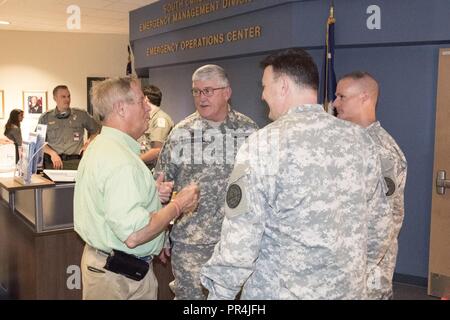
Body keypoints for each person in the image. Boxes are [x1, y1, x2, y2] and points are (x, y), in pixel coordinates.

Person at [200, 48, 393, 300]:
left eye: (265, 86)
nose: (262, 95)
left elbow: (241, 238)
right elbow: (380, 224)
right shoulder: (361, 140)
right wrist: (351, 274)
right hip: (347, 291)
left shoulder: (262, 144)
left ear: (283, 86)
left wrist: (218, 296)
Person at [74, 77, 199, 300]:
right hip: (120, 280)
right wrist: (178, 205)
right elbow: (134, 234)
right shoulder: (120, 160)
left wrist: (151, 194)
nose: (148, 108)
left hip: (113, 270)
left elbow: (116, 208)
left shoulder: (104, 146)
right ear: (121, 109)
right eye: (142, 101)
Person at [154, 64, 259, 300]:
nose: (201, 98)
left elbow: (261, 187)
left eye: (208, 91)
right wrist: (160, 234)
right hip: (191, 242)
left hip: (236, 242)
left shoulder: (249, 131)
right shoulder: (181, 133)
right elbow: (160, 185)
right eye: (196, 91)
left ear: (227, 92)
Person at [333, 71, 407, 300]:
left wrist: (355, 272)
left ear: (364, 98)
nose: (334, 103)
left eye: (341, 97)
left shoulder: (381, 151)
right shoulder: (348, 142)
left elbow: (385, 223)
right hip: (344, 266)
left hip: (367, 275)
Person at [38, 85, 100, 170]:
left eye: (68, 96)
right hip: (53, 163)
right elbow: (39, 141)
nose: (67, 100)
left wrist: (87, 145)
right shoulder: (45, 118)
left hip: (75, 163)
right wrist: (52, 153)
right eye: (63, 97)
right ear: (55, 98)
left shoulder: (81, 115)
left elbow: (96, 131)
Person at [138, 85, 174, 171]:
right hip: (146, 168)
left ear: (145, 99)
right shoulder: (149, 118)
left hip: (155, 171)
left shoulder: (160, 119)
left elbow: (157, 150)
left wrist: (135, 161)